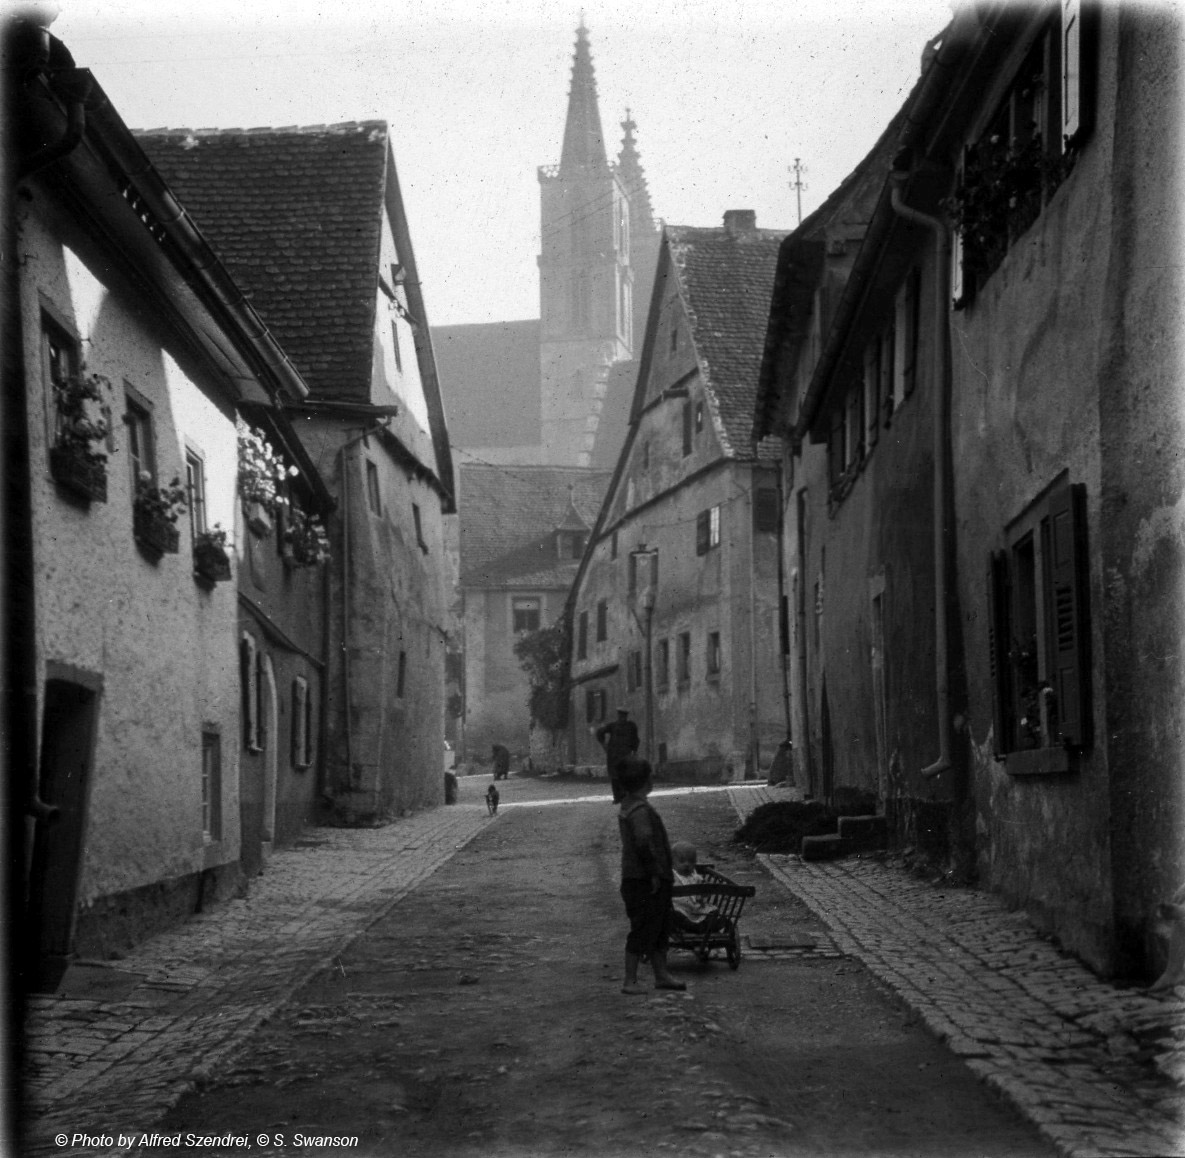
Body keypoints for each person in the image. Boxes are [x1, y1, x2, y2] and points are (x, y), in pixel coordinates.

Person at [617, 757, 686, 995]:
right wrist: (655, 873)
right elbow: (644, 843)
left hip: (642, 879)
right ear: (646, 782)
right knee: (644, 929)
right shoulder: (639, 811)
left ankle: (661, 975)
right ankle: (630, 980)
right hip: (644, 881)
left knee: (659, 927)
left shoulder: (631, 806)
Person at [670, 842, 728, 934]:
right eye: (682, 861)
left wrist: (705, 891)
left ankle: (706, 926)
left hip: (696, 908)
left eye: (691, 861)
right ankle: (692, 928)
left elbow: (704, 890)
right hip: (680, 908)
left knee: (712, 910)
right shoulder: (671, 876)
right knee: (674, 914)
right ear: (672, 862)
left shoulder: (695, 876)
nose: (687, 864)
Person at [595, 707, 639, 803]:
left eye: (624, 716)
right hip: (614, 755)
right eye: (621, 715)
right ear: (618, 716)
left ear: (626, 716)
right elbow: (599, 732)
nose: (622, 718)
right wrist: (604, 745)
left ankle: (625, 796)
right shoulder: (613, 726)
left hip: (625, 755)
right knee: (615, 776)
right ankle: (617, 797)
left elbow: (635, 739)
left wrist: (634, 751)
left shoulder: (631, 726)